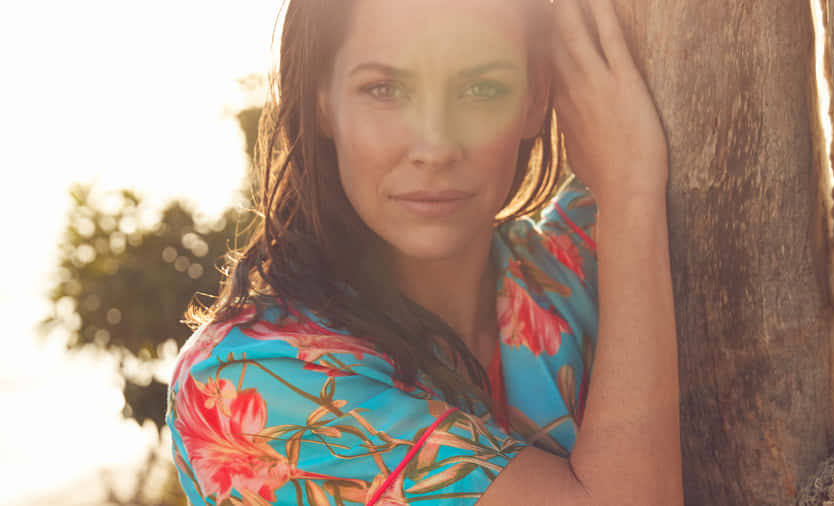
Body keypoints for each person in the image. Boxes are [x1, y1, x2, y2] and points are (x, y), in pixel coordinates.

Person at [165, 0, 682, 504]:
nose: (435, 146)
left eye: (482, 88)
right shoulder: (247, 380)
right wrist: (633, 193)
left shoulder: (580, 262)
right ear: (321, 99)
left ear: (535, 98)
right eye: (384, 89)